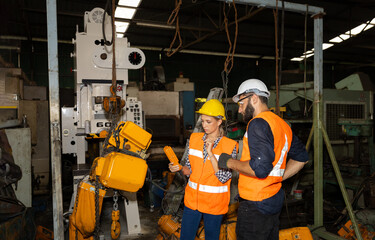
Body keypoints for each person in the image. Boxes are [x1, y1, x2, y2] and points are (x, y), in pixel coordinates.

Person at [218, 79, 308, 240]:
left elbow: (259, 168)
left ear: (253, 98)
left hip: (255, 204)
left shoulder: (257, 124)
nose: (239, 110)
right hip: (273, 199)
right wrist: (279, 177)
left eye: (241, 103)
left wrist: (229, 162)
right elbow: (302, 158)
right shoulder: (282, 124)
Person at [169, 99, 238, 240]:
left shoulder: (230, 146)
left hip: (214, 204)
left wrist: (211, 154)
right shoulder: (194, 139)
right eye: (203, 121)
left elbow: (223, 177)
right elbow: (190, 170)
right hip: (192, 202)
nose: (204, 125)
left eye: (209, 122)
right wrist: (179, 168)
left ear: (219, 122)